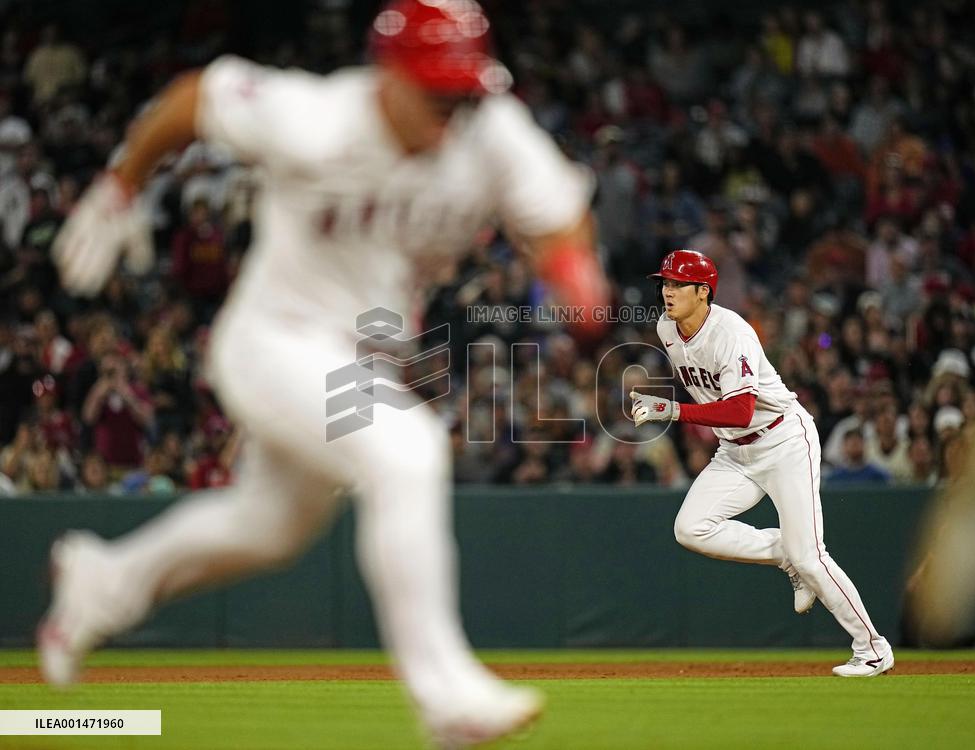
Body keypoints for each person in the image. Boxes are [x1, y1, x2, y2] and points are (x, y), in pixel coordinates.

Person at [39, 2, 608, 747]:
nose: (449, 107)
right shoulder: (316, 118)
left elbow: (558, 215)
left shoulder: (492, 130)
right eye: (434, 88)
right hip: (273, 339)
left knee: (270, 528)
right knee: (406, 452)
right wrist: (120, 186)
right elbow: (194, 98)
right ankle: (447, 697)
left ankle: (104, 583)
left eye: (461, 89)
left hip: (363, 355)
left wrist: (571, 269)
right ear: (388, 75)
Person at [630, 249, 893, 677]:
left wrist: (673, 411)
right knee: (690, 529)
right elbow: (726, 415)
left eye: (678, 284)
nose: (667, 291)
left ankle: (873, 648)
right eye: (665, 283)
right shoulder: (666, 328)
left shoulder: (732, 333)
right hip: (735, 452)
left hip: (783, 440)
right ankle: (781, 555)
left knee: (811, 555)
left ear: (704, 291)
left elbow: (738, 409)